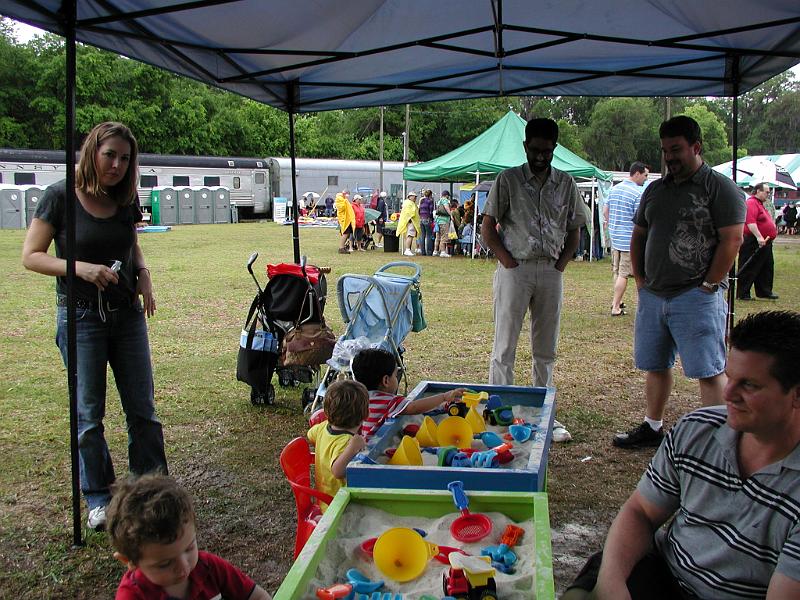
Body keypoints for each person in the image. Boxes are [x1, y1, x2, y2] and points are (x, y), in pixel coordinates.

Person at [564, 310, 800, 600]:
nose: (728, 394)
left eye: (749, 385)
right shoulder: (697, 430)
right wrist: (610, 584)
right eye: (730, 377)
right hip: (666, 573)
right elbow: (641, 512)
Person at [21, 121, 167, 531]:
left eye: (125, 158)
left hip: (127, 315)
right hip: (82, 317)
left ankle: (152, 490)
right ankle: (100, 497)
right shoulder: (60, 196)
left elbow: (132, 243)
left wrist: (144, 273)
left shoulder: (125, 197)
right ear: (92, 152)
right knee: (88, 416)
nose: (117, 165)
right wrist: (80, 268)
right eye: (110, 155)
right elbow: (31, 256)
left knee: (143, 410)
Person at [613, 115, 746, 449]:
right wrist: (641, 281)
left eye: (676, 149)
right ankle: (652, 427)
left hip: (696, 295)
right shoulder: (655, 189)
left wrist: (709, 285)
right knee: (655, 365)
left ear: (696, 147)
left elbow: (732, 239)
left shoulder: (719, 187)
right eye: (665, 151)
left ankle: (720, 441)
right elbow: (639, 234)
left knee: (709, 370)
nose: (669, 157)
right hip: (654, 294)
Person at [480, 117, 585, 444]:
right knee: (504, 345)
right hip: (515, 270)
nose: (540, 157)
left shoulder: (566, 183)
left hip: (550, 270)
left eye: (547, 151)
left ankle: (544, 412)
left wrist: (560, 265)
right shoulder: (507, 180)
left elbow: (575, 229)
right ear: (525, 146)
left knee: (545, 348)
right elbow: (487, 227)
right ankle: (498, 411)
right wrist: (508, 261)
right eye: (535, 150)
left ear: (555, 148)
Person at [107, 474, 272, 600]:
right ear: (129, 561)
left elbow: (257, 596)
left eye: (189, 548)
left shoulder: (209, 567)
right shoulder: (132, 596)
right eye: (165, 564)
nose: (183, 567)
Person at [351, 348, 465, 438]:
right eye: (395, 375)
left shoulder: (356, 398)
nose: (396, 378)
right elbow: (414, 407)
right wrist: (444, 397)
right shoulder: (388, 401)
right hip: (374, 449)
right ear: (386, 381)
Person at [306, 380, 369, 506]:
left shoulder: (323, 428)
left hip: (324, 500)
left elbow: (310, 435)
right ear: (366, 414)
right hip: (338, 506)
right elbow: (338, 471)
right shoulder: (347, 442)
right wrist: (353, 448)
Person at [603, 162, 650, 316]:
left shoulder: (614, 189)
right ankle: (616, 307)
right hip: (629, 240)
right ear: (637, 173)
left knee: (617, 272)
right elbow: (640, 220)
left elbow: (605, 211)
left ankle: (617, 300)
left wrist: (611, 226)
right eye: (645, 175)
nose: (646, 179)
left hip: (615, 237)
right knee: (624, 274)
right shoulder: (638, 193)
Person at [738, 182, 779, 301]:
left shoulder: (760, 204)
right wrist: (759, 237)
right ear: (758, 191)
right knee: (750, 266)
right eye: (766, 192)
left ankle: (764, 291)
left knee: (766, 266)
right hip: (754, 240)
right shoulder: (751, 203)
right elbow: (751, 222)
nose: (768, 194)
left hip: (766, 241)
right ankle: (743, 293)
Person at [397, 190, 421, 257]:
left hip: (411, 222)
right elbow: (409, 213)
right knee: (410, 235)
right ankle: (407, 249)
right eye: (414, 196)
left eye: (415, 197)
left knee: (410, 236)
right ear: (410, 197)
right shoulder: (408, 203)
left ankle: (408, 249)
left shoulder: (409, 203)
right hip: (410, 221)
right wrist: (410, 219)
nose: (415, 198)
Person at [433, 190, 452, 258]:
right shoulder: (445, 200)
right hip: (444, 221)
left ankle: (435, 251)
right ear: (446, 195)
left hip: (438, 221)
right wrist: (451, 215)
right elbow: (446, 207)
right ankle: (443, 252)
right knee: (443, 237)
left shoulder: (439, 201)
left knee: (437, 237)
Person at [417, 188, 435, 255]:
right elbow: (431, 211)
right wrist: (432, 219)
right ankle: (429, 252)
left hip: (421, 219)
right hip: (427, 219)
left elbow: (419, 210)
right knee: (429, 236)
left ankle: (423, 251)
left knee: (422, 236)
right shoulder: (430, 201)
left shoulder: (421, 201)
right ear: (430, 195)